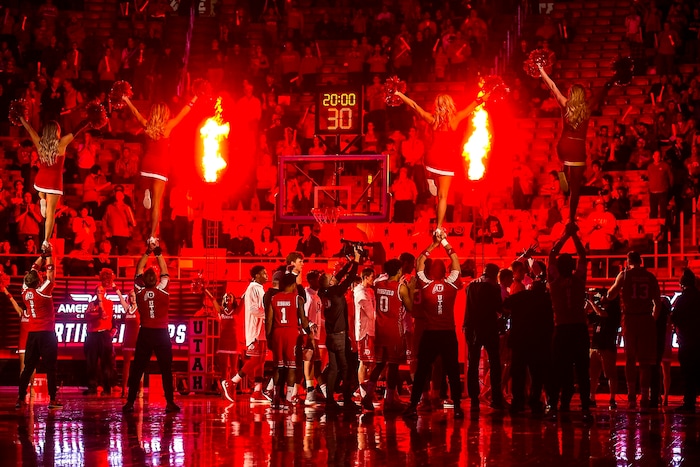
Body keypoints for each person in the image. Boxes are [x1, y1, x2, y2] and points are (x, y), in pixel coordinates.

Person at [394, 89, 488, 238]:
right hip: (447, 161)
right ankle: (439, 227)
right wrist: (486, 95)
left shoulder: (432, 119)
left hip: (432, 159)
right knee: (443, 196)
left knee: (429, 167)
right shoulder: (455, 119)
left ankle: (431, 178)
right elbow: (474, 105)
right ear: (450, 105)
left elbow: (413, 105)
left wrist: (399, 94)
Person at [538, 65, 613, 226]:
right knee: (575, 188)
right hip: (577, 146)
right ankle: (571, 217)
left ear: (572, 94)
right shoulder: (587, 107)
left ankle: (562, 173)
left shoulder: (565, 104)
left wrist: (541, 70)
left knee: (565, 167)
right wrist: (613, 78)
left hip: (564, 144)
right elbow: (602, 93)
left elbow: (553, 87)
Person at [122, 95, 197, 244]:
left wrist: (126, 100)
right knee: (157, 204)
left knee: (146, 194)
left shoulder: (146, 124)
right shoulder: (168, 126)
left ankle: (146, 193)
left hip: (147, 165)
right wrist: (194, 98)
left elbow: (136, 112)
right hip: (160, 167)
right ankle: (152, 235)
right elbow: (184, 112)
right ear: (164, 113)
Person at [404, 236, 464, 419]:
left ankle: (414, 405)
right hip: (446, 333)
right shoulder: (451, 283)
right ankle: (457, 408)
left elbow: (419, 261)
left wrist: (434, 244)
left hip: (432, 333)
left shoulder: (426, 283)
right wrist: (445, 243)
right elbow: (456, 261)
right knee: (452, 370)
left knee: (424, 369)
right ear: (445, 271)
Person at [122, 240, 180, 413]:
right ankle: (169, 402)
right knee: (166, 369)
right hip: (161, 333)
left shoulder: (139, 291)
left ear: (143, 281)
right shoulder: (163, 289)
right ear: (156, 280)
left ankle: (130, 402)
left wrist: (147, 252)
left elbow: (138, 270)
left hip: (146, 332)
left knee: (138, 368)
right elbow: (165, 271)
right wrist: (158, 253)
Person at [547, 226, 592, 422]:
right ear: (572, 267)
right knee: (582, 369)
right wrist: (574, 235)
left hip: (562, 328)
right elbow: (582, 254)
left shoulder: (555, 281)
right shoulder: (579, 280)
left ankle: (556, 404)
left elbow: (551, 253)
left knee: (558, 368)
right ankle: (584, 406)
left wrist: (565, 235)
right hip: (578, 328)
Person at [607, 251, 661, 410]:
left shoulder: (624, 275)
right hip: (646, 319)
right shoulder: (650, 277)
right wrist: (653, 319)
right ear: (641, 261)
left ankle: (631, 397)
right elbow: (658, 303)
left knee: (630, 358)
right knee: (645, 362)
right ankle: (645, 397)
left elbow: (610, 295)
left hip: (630, 319)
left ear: (628, 261)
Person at [19, 117, 79, 251]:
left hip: (40, 180)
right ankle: (46, 241)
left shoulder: (40, 143)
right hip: (54, 182)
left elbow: (29, 128)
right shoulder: (62, 143)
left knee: (42, 195)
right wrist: (90, 120)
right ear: (57, 132)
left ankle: (41, 199)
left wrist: (20, 117)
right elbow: (76, 130)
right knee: (50, 213)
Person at [364, 259, 413, 413]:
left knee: (378, 365)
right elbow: (410, 307)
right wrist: (410, 289)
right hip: (394, 333)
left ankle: (368, 394)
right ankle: (389, 400)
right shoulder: (401, 288)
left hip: (380, 330)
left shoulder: (378, 285)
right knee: (392, 366)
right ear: (398, 271)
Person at [17, 247, 62, 409]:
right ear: (38, 282)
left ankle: (20, 399)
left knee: (28, 368)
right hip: (46, 334)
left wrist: (41, 256)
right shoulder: (43, 292)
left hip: (33, 335)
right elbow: (51, 274)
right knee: (51, 368)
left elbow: (32, 271)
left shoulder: (25, 291)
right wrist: (49, 257)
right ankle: (53, 400)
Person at [503, 276, 553, 415]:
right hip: (538, 342)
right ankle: (534, 401)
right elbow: (549, 323)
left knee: (518, 372)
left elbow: (506, 304)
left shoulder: (522, 296)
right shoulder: (546, 300)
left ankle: (517, 401)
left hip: (520, 341)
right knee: (537, 374)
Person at [221, 265, 270, 404]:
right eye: (264, 273)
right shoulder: (253, 288)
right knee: (254, 360)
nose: (267, 275)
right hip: (255, 331)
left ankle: (257, 391)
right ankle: (231, 382)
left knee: (261, 361)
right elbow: (254, 310)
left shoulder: (259, 288)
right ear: (256, 276)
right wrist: (270, 315)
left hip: (261, 331)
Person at [320, 250, 361, 413]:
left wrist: (348, 263)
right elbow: (349, 278)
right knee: (345, 368)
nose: (334, 278)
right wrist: (356, 261)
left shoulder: (324, 292)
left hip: (330, 336)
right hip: (339, 336)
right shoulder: (336, 292)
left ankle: (329, 400)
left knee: (333, 368)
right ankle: (347, 399)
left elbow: (339, 277)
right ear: (330, 283)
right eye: (332, 278)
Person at [266, 274, 311, 410]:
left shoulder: (274, 298)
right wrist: (309, 333)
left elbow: (269, 320)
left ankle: (275, 397)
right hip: (291, 333)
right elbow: (303, 321)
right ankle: (288, 398)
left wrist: (269, 337)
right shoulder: (297, 298)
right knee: (291, 367)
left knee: (278, 366)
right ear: (292, 285)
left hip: (277, 333)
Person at [464, 263, 505, 411]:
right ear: (495, 275)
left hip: (471, 328)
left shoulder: (471, 286)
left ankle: (474, 397)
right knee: (494, 363)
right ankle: (496, 398)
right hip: (488, 327)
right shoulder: (494, 288)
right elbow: (499, 308)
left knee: (473, 363)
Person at [671, 269, 700, 413]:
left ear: (682, 285)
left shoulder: (682, 299)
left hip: (687, 342)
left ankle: (689, 403)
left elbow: (674, 317)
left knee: (688, 375)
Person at [587, 294, 621, 410]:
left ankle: (612, 399)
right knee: (593, 375)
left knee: (610, 375)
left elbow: (602, 314)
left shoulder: (614, 311)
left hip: (607, 347)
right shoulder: (599, 309)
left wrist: (592, 302)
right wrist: (587, 305)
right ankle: (591, 398)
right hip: (595, 347)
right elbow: (587, 319)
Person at [83, 284, 116, 396]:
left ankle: (107, 388)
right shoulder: (91, 303)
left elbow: (104, 315)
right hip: (92, 335)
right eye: (97, 291)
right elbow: (87, 316)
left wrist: (97, 311)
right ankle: (92, 387)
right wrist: (96, 314)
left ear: (105, 292)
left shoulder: (109, 303)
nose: (99, 293)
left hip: (103, 334)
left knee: (106, 363)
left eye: (101, 291)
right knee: (91, 362)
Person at [354, 266, 376, 410]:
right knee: (364, 362)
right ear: (365, 277)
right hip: (364, 332)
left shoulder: (369, 291)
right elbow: (371, 314)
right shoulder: (360, 293)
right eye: (371, 277)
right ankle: (363, 393)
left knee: (371, 363)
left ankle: (366, 390)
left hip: (371, 331)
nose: (373, 279)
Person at [303, 270, 327, 406]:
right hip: (309, 334)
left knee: (315, 362)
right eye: (318, 278)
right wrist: (310, 332)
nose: (320, 281)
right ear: (311, 280)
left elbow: (317, 318)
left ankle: (319, 392)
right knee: (309, 359)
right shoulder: (308, 296)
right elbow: (305, 317)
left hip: (315, 334)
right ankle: (310, 391)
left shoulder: (316, 297)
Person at [115, 288, 140, 398]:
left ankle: (140, 389)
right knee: (126, 365)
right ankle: (124, 389)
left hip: (138, 339)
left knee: (139, 365)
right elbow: (120, 298)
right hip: (127, 339)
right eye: (131, 296)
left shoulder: (141, 309)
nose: (133, 298)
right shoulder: (127, 308)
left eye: (134, 296)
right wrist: (115, 287)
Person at [216, 292, 240, 394]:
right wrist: (205, 290)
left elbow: (243, 300)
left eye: (230, 296)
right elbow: (213, 300)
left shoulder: (237, 310)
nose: (227, 298)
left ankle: (232, 390)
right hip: (223, 342)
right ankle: (223, 391)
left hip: (234, 342)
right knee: (224, 369)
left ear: (234, 299)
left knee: (234, 369)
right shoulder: (221, 310)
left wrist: (250, 285)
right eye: (225, 296)